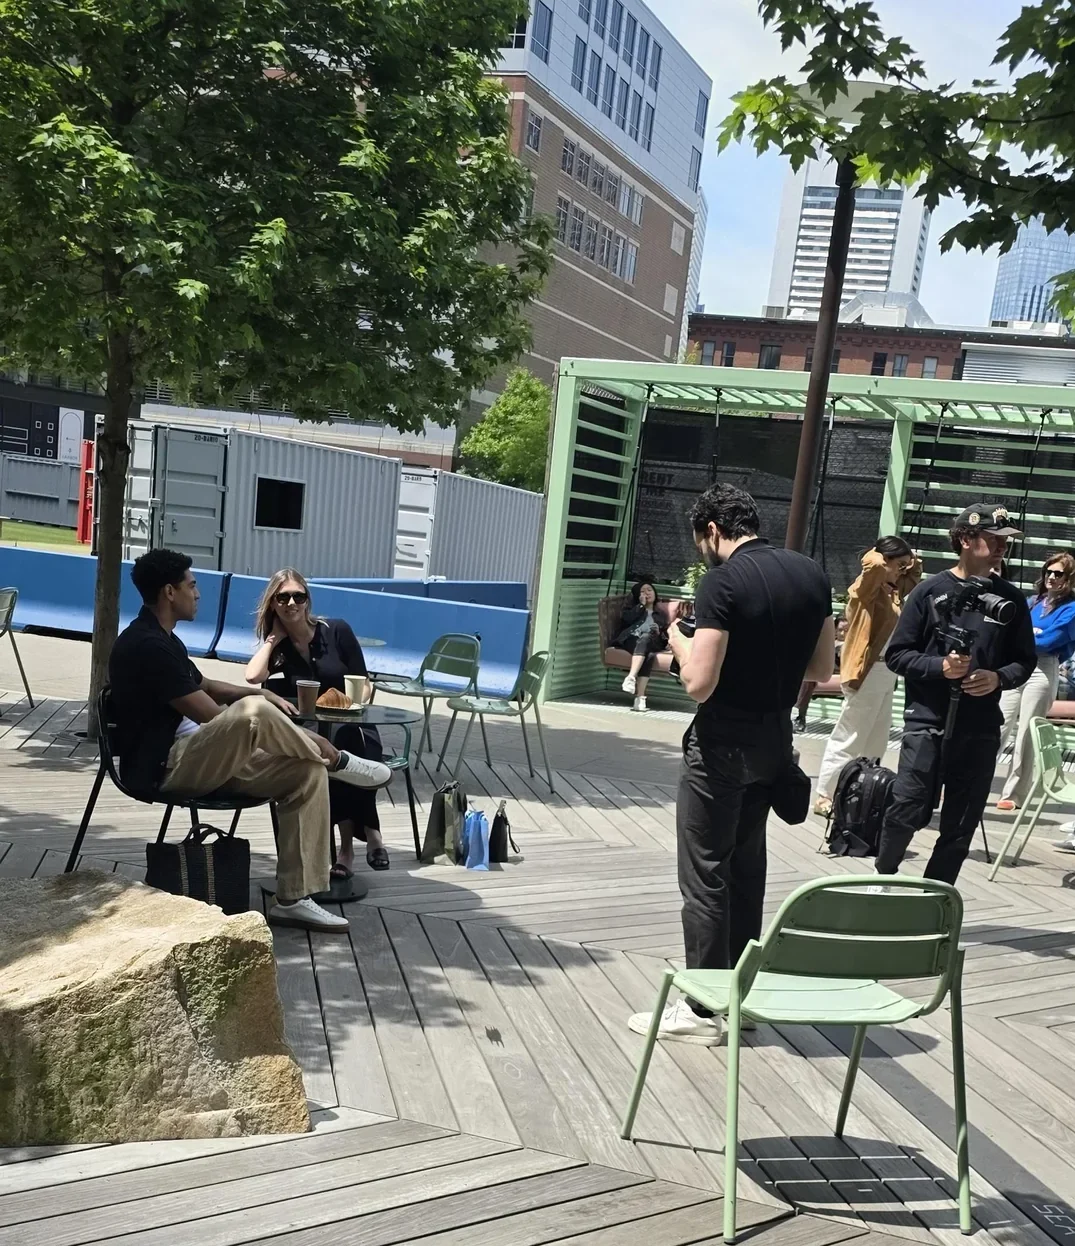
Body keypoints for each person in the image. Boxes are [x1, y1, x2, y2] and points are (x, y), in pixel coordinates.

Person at [627, 484, 834, 1044]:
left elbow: (699, 683)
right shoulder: (812, 575)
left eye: (702, 542)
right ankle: (739, 999)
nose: (703, 552)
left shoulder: (722, 581)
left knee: (705, 876)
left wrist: (677, 639)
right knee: (746, 873)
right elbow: (820, 668)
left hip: (720, 747)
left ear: (713, 530)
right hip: (775, 743)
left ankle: (701, 1010)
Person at [109, 549, 391, 933]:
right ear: (170, 592)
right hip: (169, 766)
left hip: (203, 757)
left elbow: (208, 685)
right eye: (192, 585)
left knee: (306, 772)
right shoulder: (146, 646)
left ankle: (294, 899)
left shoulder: (164, 640)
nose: (198, 593)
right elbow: (212, 715)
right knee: (254, 715)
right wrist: (267, 714)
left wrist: (262, 694)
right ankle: (337, 759)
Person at [874, 504, 1036, 884]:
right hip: (927, 723)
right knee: (908, 806)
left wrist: (997, 678)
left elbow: (1024, 661)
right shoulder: (929, 592)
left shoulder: (1010, 599)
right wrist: (940, 667)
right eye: (993, 539)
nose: (1001, 548)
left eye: (1006, 541)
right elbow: (897, 655)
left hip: (979, 728)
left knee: (961, 825)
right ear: (965, 539)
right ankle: (882, 880)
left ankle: (935, 900)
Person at [245, 569, 392, 874]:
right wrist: (273, 638)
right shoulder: (280, 648)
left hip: (352, 721)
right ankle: (365, 839)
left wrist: (353, 705)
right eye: (283, 598)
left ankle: (352, 846)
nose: (291, 603)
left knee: (352, 747)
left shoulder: (336, 631)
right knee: (326, 753)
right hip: (311, 730)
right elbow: (253, 676)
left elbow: (364, 682)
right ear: (273, 603)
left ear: (307, 600)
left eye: (298, 596)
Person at [813, 537, 921, 813]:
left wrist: (911, 561)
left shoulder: (890, 591)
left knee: (876, 739)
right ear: (884, 561)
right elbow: (872, 566)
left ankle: (863, 792)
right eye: (898, 565)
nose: (902, 571)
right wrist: (880, 554)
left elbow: (913, 580)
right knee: (850, 736)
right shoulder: (865, 589)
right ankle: (825, 794)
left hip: (886, 671)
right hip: (867, 670)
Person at [996, 552, 1075, 811]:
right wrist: (1031, 635)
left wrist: (1026, 636)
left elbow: (1050, 641)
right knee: (997, 725)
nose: (1051, 577)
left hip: (1042, 669)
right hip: (1015, 665)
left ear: (1069, 578)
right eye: (1048, 571)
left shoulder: (1072, 608)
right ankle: (971, 783)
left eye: (1058, 573)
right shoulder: (1032, 602)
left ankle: (1014, 794)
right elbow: (1011, 631)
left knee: (1028, 733)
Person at [614, 580, 667, 712]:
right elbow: (627, 619)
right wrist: (641, 606)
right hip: (631, 639)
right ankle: (640, 698)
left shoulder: (660, 615)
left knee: (646, 637)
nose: (647, 593)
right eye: (642, 591)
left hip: (652, 641)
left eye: (649, 590)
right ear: (637, 596)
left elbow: (665, 637)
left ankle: (631, 677)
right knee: (649, 656)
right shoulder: (632, 610)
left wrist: (658, 631)